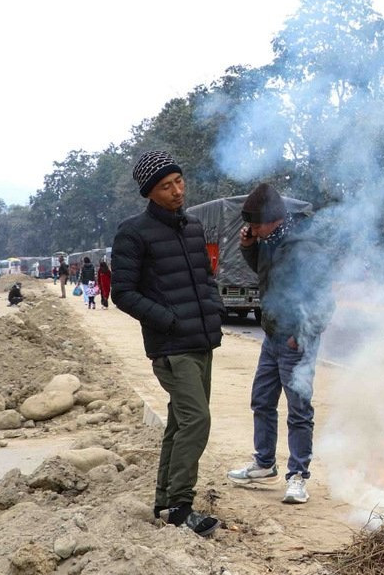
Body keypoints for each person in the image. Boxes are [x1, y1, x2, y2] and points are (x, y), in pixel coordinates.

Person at [111, 150, 225, 536]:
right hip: (172, 347)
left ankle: (164, 502)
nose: (177, 191)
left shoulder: (192, 227)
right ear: (149, 193)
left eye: (179, 181)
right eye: (165, 186)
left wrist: (214, 308)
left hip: (202, 342)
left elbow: (205, 278)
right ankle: (181, 506)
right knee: (197, 420)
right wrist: (168, 320)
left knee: (179, 423)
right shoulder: (133, 232)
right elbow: (123, 292)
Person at [226, 183, 335, 505]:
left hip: (294, 340)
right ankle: (264, 463)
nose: (251, 230)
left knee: (299, 411)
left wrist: (300, 335)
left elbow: (324, 301)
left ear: (274, 219)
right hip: (272, 336)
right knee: (262, 400)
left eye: (255, 225)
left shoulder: (304, 247)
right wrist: (249, 247)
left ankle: (298, 476)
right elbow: (266, 277)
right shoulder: (270, 241)